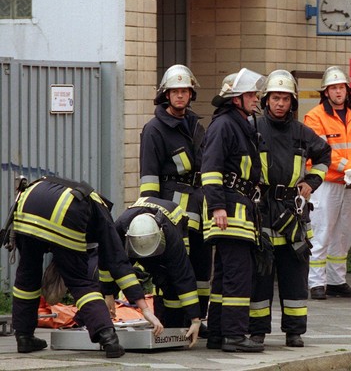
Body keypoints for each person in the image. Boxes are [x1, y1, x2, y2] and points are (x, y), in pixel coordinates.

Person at [10, 176, 163, 357]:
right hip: (65, 214)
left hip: (27, 207)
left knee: (27, 275)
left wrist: (109, 294)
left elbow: (106, 263)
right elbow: (117, 260)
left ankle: (24, 337)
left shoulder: (63, 189)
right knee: (81, 283)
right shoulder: (99, 211)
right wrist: (144, 308)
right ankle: (109, 339)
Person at [249, 70, 331, 347]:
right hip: (261, 208)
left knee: (294, 274)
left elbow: (324, 155)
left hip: (292, 211)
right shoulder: (254, 129)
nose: (280, 103)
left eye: (285, 98)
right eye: (275, 98)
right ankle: (257, 331)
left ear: (292, 102)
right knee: (260, 274)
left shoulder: (302, 133)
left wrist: (311, 181)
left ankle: (294, 331)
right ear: (266, 100)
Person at [139, 64, 211, 331]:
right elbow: (149, 178)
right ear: (165, 95)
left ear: (191, 94)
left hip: (200, 209)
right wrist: (152, 217)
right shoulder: (155, 129)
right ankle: (171, 322)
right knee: (173, 268)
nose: (180, 96)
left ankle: (198, 319)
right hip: (171, 212)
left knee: (201, 268)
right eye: (175, 91)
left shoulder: (196, 125)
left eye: (185, 91)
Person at [201, 68, 266, 352]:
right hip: (229, 212)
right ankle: (235, 336)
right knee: (238, 276)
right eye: (251, 94)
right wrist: (217, 207)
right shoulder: (225, 125)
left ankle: (217, 334)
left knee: (227, 277)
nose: (256, 98)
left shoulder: (241, 124)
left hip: (239, 211)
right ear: (236, 99)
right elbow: (211, 169)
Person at [303, 66, 351, 300]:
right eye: (333, 88)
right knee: (321, 232)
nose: (338, 92)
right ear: (326, 92)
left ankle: (336, 281)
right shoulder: (315, 117)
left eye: (342, 87)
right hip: (325, 183)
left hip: (349, 184)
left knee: (343, 234)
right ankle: (316, 282)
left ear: (348, 90)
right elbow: (321, 152)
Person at [114, 196, 202, 347]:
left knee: (172, 280)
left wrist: (195, 320)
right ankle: (166, 321)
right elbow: (113, 265)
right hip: (138, 237)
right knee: (128, 269)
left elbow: (184, 276)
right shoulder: (119, 228)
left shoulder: (172, 238)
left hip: (177, 224)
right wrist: (109, 294)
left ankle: (176, 324)